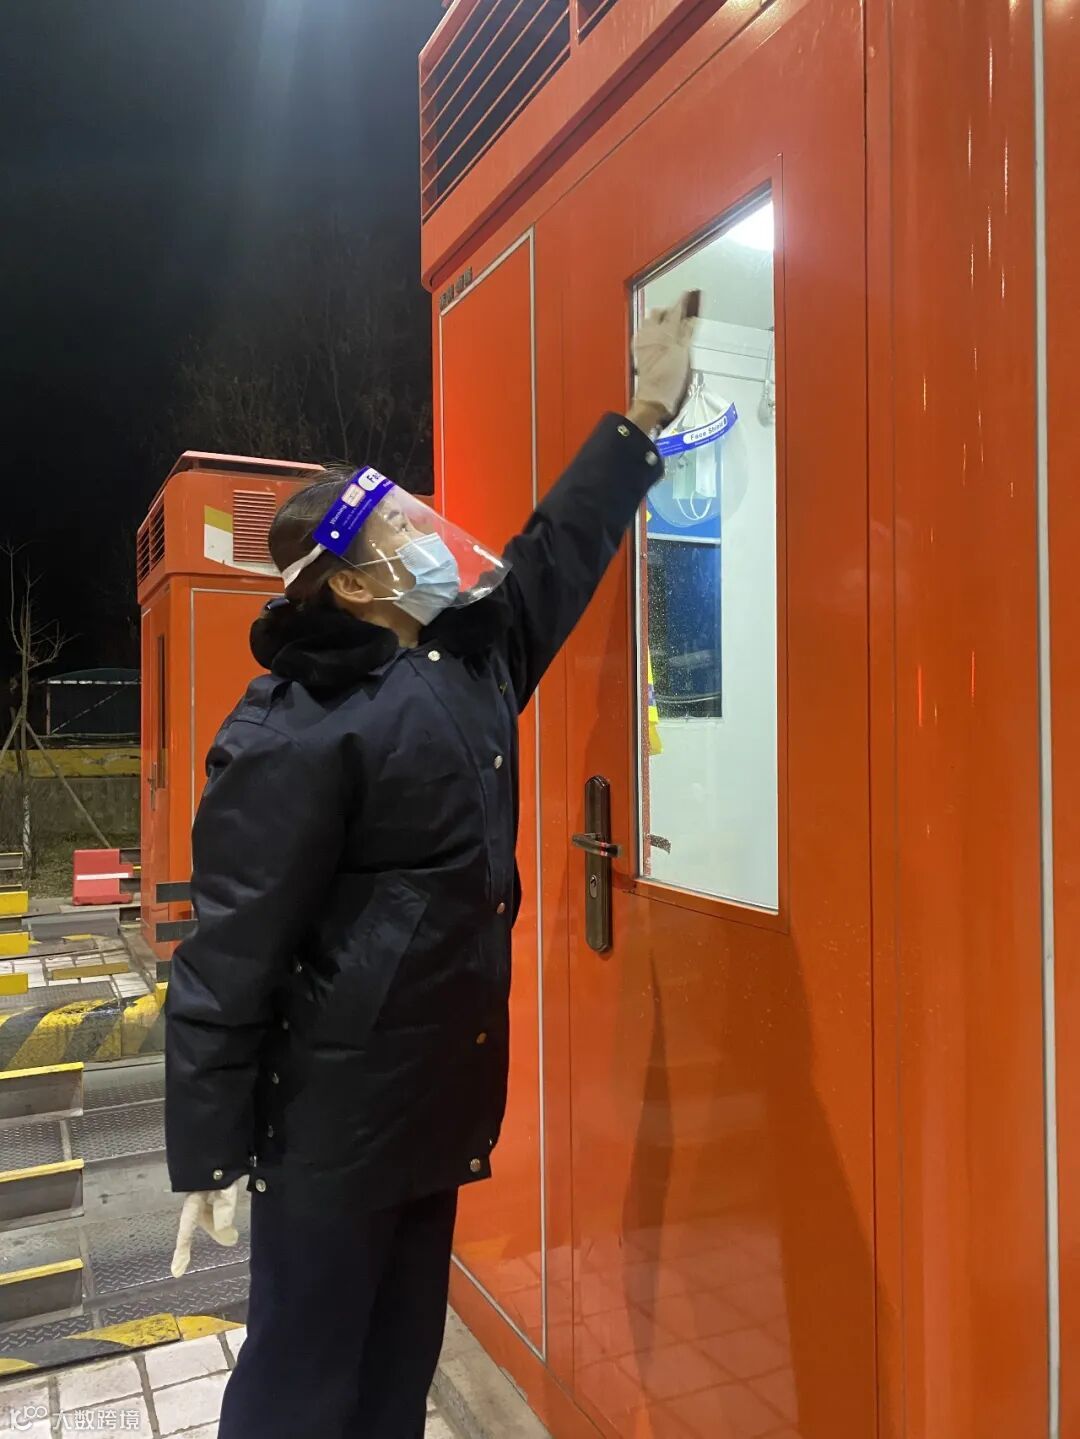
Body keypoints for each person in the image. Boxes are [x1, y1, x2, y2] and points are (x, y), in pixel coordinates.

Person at [163, 292, 699, 1439]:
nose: (429, 533)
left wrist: (642, 418)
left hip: (430, 1109)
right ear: (354, 584)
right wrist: (209, 1148)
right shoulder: (292, 728)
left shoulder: (465, 665)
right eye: (402, 528)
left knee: (394, 1375)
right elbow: (227, 954)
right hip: (327, 1129)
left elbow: (556, 554)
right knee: (299, 1388)